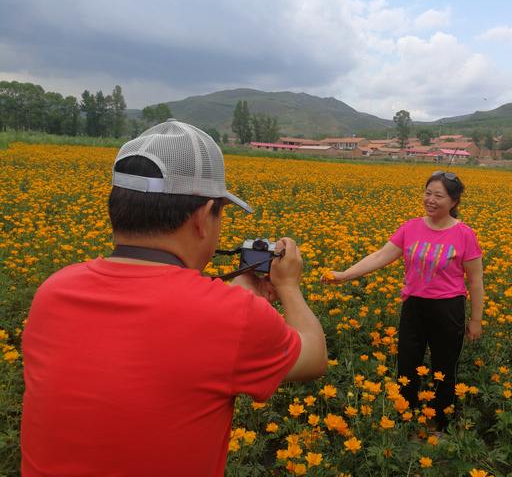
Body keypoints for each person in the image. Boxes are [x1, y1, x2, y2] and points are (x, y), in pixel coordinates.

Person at [21, 119, 327, 476]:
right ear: (201, 219)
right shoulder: (229, 317)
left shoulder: (53, 292)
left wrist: (237, 294)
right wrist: (288, 285)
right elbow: (314, 356)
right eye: (220, 214)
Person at [324, 170, 483, 431]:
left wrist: (475, 320)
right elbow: (379, 256)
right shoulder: (411, 227)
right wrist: (345, 275)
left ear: (454, 201)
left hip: (448, 309)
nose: (431, 200)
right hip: (414, 307)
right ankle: (404, 421)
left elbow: (476, 281)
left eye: (439, 196)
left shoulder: (464, 234)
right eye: (428, 193)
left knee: (445, 368)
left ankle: (441, 424)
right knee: (407, 366)